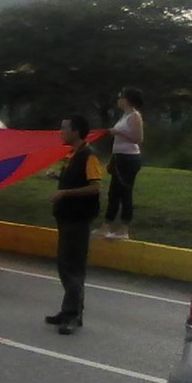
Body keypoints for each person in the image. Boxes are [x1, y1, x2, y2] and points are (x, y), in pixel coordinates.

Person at [46, 114, 103, 336]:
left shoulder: (89, 156)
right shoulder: (72, 155)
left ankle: (73, 315)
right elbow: (74, 178)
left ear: (76, 131)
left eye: (64, 128)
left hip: (78, 219)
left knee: (74, 269)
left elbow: (95, 187)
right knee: (64, 265)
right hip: (66, 218)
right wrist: (57, 178)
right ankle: (68, 310)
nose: (61, 132)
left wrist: (64, 192)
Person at [96, 87, 144, 240]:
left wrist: (118, 132)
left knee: (125, 193)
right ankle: (106, 226)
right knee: (113, 193)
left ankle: (124, 229)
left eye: (120, 97)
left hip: (129, 158)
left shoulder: (135, 116)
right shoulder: (124, 116)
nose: (118, 100)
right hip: (119, 157)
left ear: (127, 100)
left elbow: (138, 138)